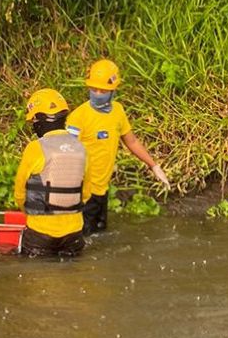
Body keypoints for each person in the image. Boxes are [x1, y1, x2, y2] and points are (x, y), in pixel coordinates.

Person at [66, 58, 170, 234]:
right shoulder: (79, 116)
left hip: (102, 189)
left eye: (103, 90)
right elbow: (66, 152)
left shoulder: (118, 112)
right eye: (94, 89)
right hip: (83, 192)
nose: (98, 94)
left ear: (113, 90)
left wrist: (154, 165)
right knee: (83, 238)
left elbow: (132, 141)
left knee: (99, 235)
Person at [14, 89, 87, 257]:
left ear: (39, 121)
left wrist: (26, 211)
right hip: (73, 234)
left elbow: (20, 192)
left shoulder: (35, 148)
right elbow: (86, 191)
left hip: (41, 234)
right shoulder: (81, 147)